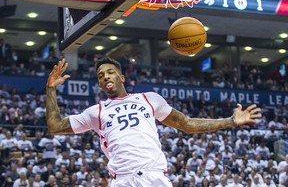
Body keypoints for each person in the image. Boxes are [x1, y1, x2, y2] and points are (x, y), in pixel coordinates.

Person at [45, 58, 262, 187]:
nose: (105, 77)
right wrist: (51, 89)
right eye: (101, 76)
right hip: (123, 179)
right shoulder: (96, 111)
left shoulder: (149, 98)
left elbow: (186, 124)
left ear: (122, 77)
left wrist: (232, 120)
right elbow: (55, 126)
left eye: (110, 72)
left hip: (154, 177)